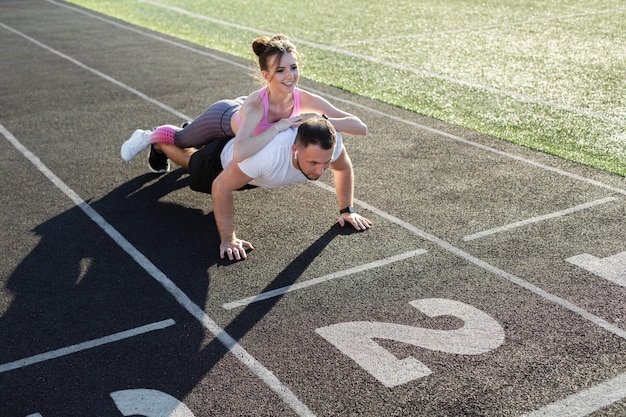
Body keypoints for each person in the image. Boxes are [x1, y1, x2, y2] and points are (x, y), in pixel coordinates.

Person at [121, 33, 367, 172]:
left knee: (203, 148)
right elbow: (240, 152)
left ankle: (184, 128)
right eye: (280, 71)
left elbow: (360, 126)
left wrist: (321, 119)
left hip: (245, 124)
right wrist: (278, 127)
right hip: (223, 119)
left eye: (293, 67)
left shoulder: (304, 98)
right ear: (266, 76)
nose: (290, 76)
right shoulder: (256, 106)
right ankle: (149, 136)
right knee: (181, 141)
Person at [151, 117, 372, 261]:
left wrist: (347, 210)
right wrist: (228, 239)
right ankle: (159, 140)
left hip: (253, 170)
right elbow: (221, 186)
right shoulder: (268, 155)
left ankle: (195, 135)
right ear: (295, 149)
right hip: (222, 162)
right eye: (313, 163)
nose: (321, 170)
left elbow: (342, 168)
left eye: (325, 162)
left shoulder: (332, 144)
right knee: (190, 163)